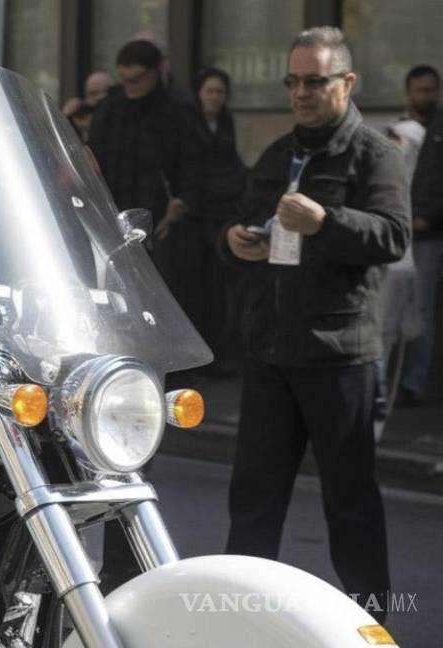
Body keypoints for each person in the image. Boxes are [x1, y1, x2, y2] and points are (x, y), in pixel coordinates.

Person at [221, 27, 409, 622]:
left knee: (351, 507)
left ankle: (372, 625)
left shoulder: (374, 154)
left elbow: (393, 236)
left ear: (347, 83)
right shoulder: (278, 153)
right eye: (293, 81)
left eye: (315, 81)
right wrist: (236, 240)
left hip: (339, 355)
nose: (301, 92)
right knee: (253, 503)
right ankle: (237, 623)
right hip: (271, 353)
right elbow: (248, 221)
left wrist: (326, 221)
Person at [166, 67, 246, 374]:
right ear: (199, 94)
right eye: (209, 91)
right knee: (192, 288)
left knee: (217, 290)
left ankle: (215, 354)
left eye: (220, 92)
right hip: (194, 216)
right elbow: (187, 167)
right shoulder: (189, 125)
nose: (215, 97)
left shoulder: (225, 124)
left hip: (220, 214)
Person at [88, 40, 200, 238]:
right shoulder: (108, 108)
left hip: (162, 215)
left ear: (156, 71)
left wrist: (183, 199)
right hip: (113, 210)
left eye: (136, 79)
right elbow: (94, 156)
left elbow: (191, 162)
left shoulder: (177, 110)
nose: (129, 86)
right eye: (124, 79)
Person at [397, 66, 442, 407]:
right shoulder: (398, 130)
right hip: (402, 232)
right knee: (401, 308)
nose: (424, 96)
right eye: (419, 90)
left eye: (430, 90)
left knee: (422, 310)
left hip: (431, 234)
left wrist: (429, 217)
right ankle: (398, 380)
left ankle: (413, 383)